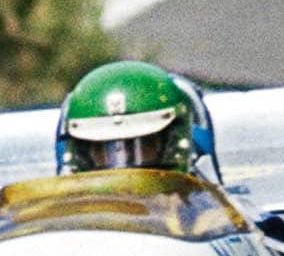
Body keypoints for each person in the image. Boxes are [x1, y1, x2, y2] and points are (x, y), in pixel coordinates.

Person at [55, 59, 212, 175]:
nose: (124, 163)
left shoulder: (206, 208)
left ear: (170, 148)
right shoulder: (66, 211)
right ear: (83, 156)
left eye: (141, 145)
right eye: (104, 149)